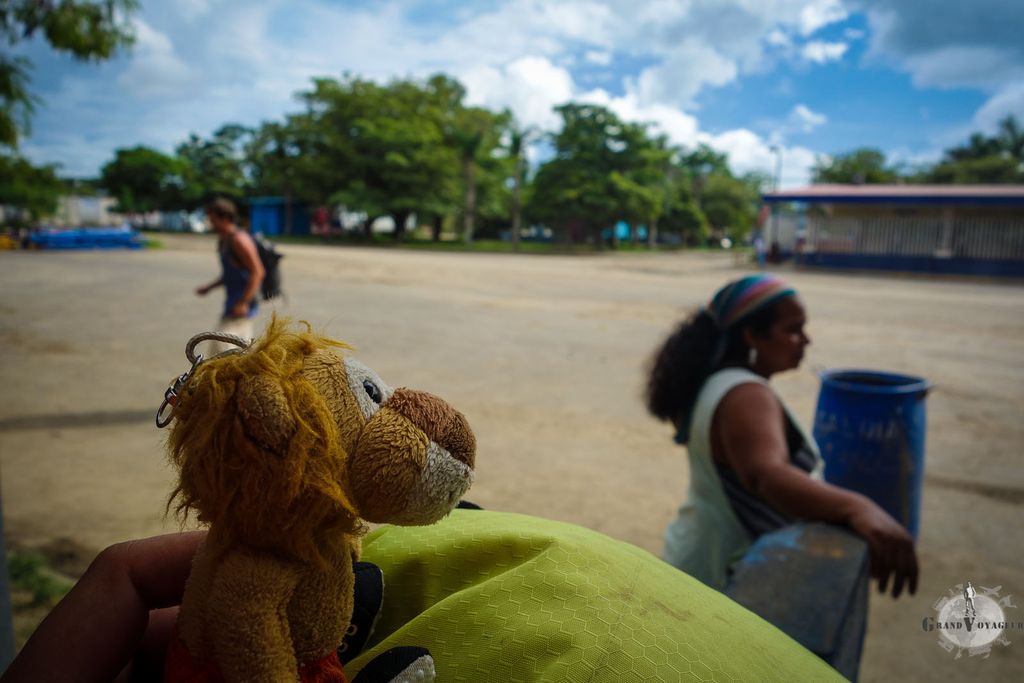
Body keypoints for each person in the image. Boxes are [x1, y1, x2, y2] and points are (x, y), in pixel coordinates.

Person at [645, 273, 918, 597]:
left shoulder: (715, 380)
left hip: (698, 554)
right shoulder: (746, 395)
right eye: (792, 330)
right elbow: (766, 474)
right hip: (724, 579)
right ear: (752, 336)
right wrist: (859, 508)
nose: (805, 340)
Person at [195, 198, 264, 354]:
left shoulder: (239, 240)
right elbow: (230, 274)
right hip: (233, 304)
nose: (210, 223)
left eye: (212, 220)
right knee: (236, 351)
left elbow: (258, 271)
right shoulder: (224, 240)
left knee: (221, 351)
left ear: (224, 218)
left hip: (242, 306)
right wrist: (209, 287)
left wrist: (243, 303)